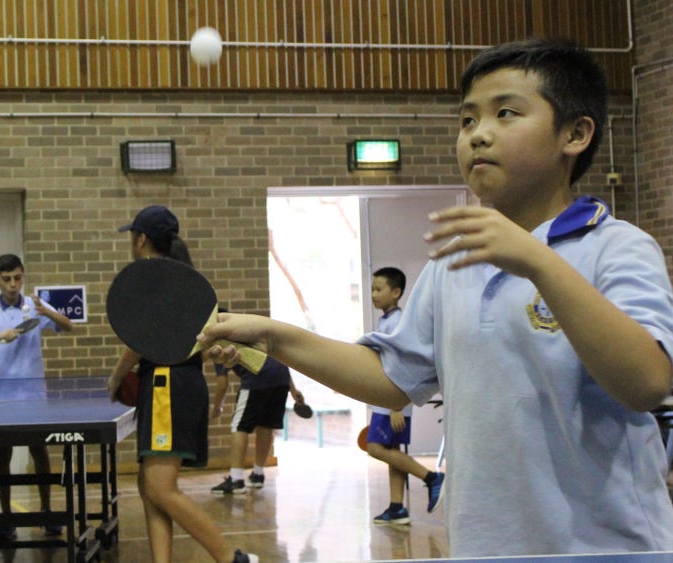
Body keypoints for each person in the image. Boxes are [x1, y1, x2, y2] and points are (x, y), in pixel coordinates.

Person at [197, 38, 673, 557]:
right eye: (468, 121)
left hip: (611, 549)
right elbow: (390, 380)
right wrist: (272, 334)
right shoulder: (453, 263)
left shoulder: (618, 248)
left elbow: (647, 382)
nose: (479, 135)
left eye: (506, 113)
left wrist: (537, 261)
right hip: (483, 547)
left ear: (576, 134)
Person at [106, 205, 258, 563]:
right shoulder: (183, 279)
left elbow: (137, 342)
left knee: (159, 486)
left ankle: (231, 557)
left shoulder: (153, 280)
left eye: (133, 236)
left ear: (141, 239)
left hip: (165, 385)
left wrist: (115, 379)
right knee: (150, 485)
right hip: (177, 382)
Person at [0, 253, 74, 543]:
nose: (12, 284)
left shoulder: (34, 305)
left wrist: (48, 313)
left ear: (23, 277)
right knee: (3, 455)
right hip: (0, 398)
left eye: (17, 278)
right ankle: (6, 519)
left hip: (33, 396)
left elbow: (69, 326)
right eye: (6, 279)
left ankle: (47, 512)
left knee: (40, 453)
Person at [366, 267, 444, 523]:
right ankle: (397, 507)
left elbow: (399, 363)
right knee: (392, 451)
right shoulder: (385, 320)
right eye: (372, 289)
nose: (374, 294)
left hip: (392, 401)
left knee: (375, 447)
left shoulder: (397, 321)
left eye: (379, 289)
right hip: (388, 401)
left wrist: (395, 406)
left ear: (396, 292)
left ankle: (432, 477)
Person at [210, 356, 304, 494]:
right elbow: (279, 362)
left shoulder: (219, 346)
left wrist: (217, 407)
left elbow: (222, 384)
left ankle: (236, 480)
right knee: (266, 425)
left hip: (256, 378)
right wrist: (294, 391)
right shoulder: (250, 334)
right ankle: (258, 474)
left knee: (239, 427)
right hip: (282, 378)